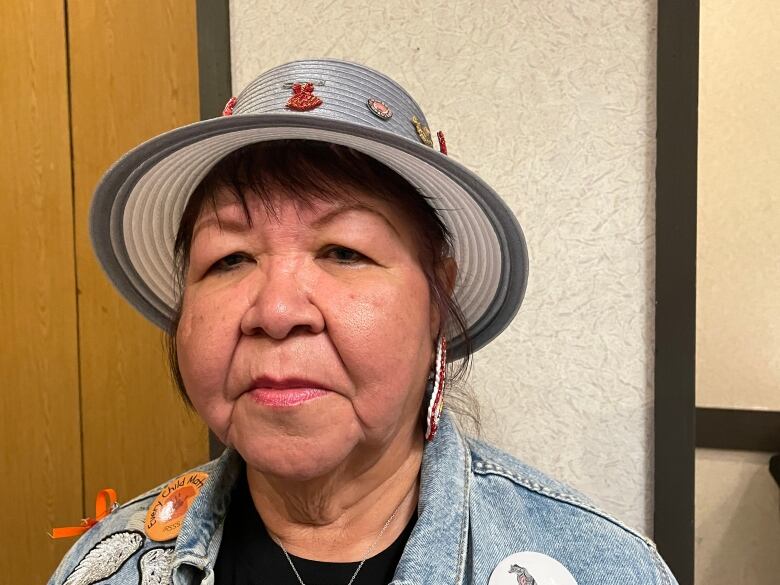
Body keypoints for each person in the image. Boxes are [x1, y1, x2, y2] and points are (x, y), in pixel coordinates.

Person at [49, 59, 677, 585]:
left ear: (438, 300)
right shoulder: (109, 565)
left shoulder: (599, 567)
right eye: (230, 258)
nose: (275, 311)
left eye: (344, 251)